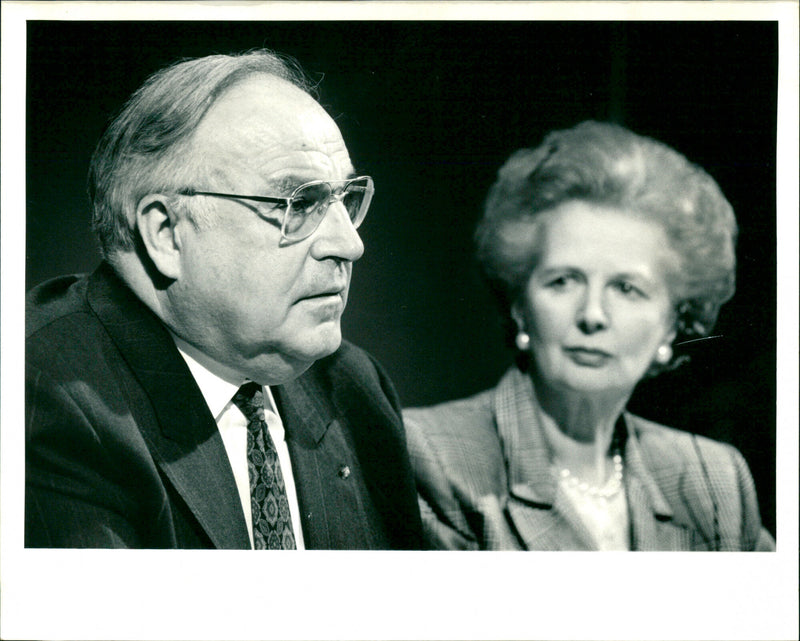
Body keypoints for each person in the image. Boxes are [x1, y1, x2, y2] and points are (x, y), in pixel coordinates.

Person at [25, 49, 423, 550]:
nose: (350, 244)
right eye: (300, 202)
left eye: (344, 199)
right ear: (167, 233)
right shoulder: (40, 390)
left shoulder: (353, 388)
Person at [404, 121, 774, 551]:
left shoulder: (714, 480)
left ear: (673, 323)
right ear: (520, 305)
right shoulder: (433, 455)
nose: (592, 315)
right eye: (563, 281)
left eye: (626, 288)